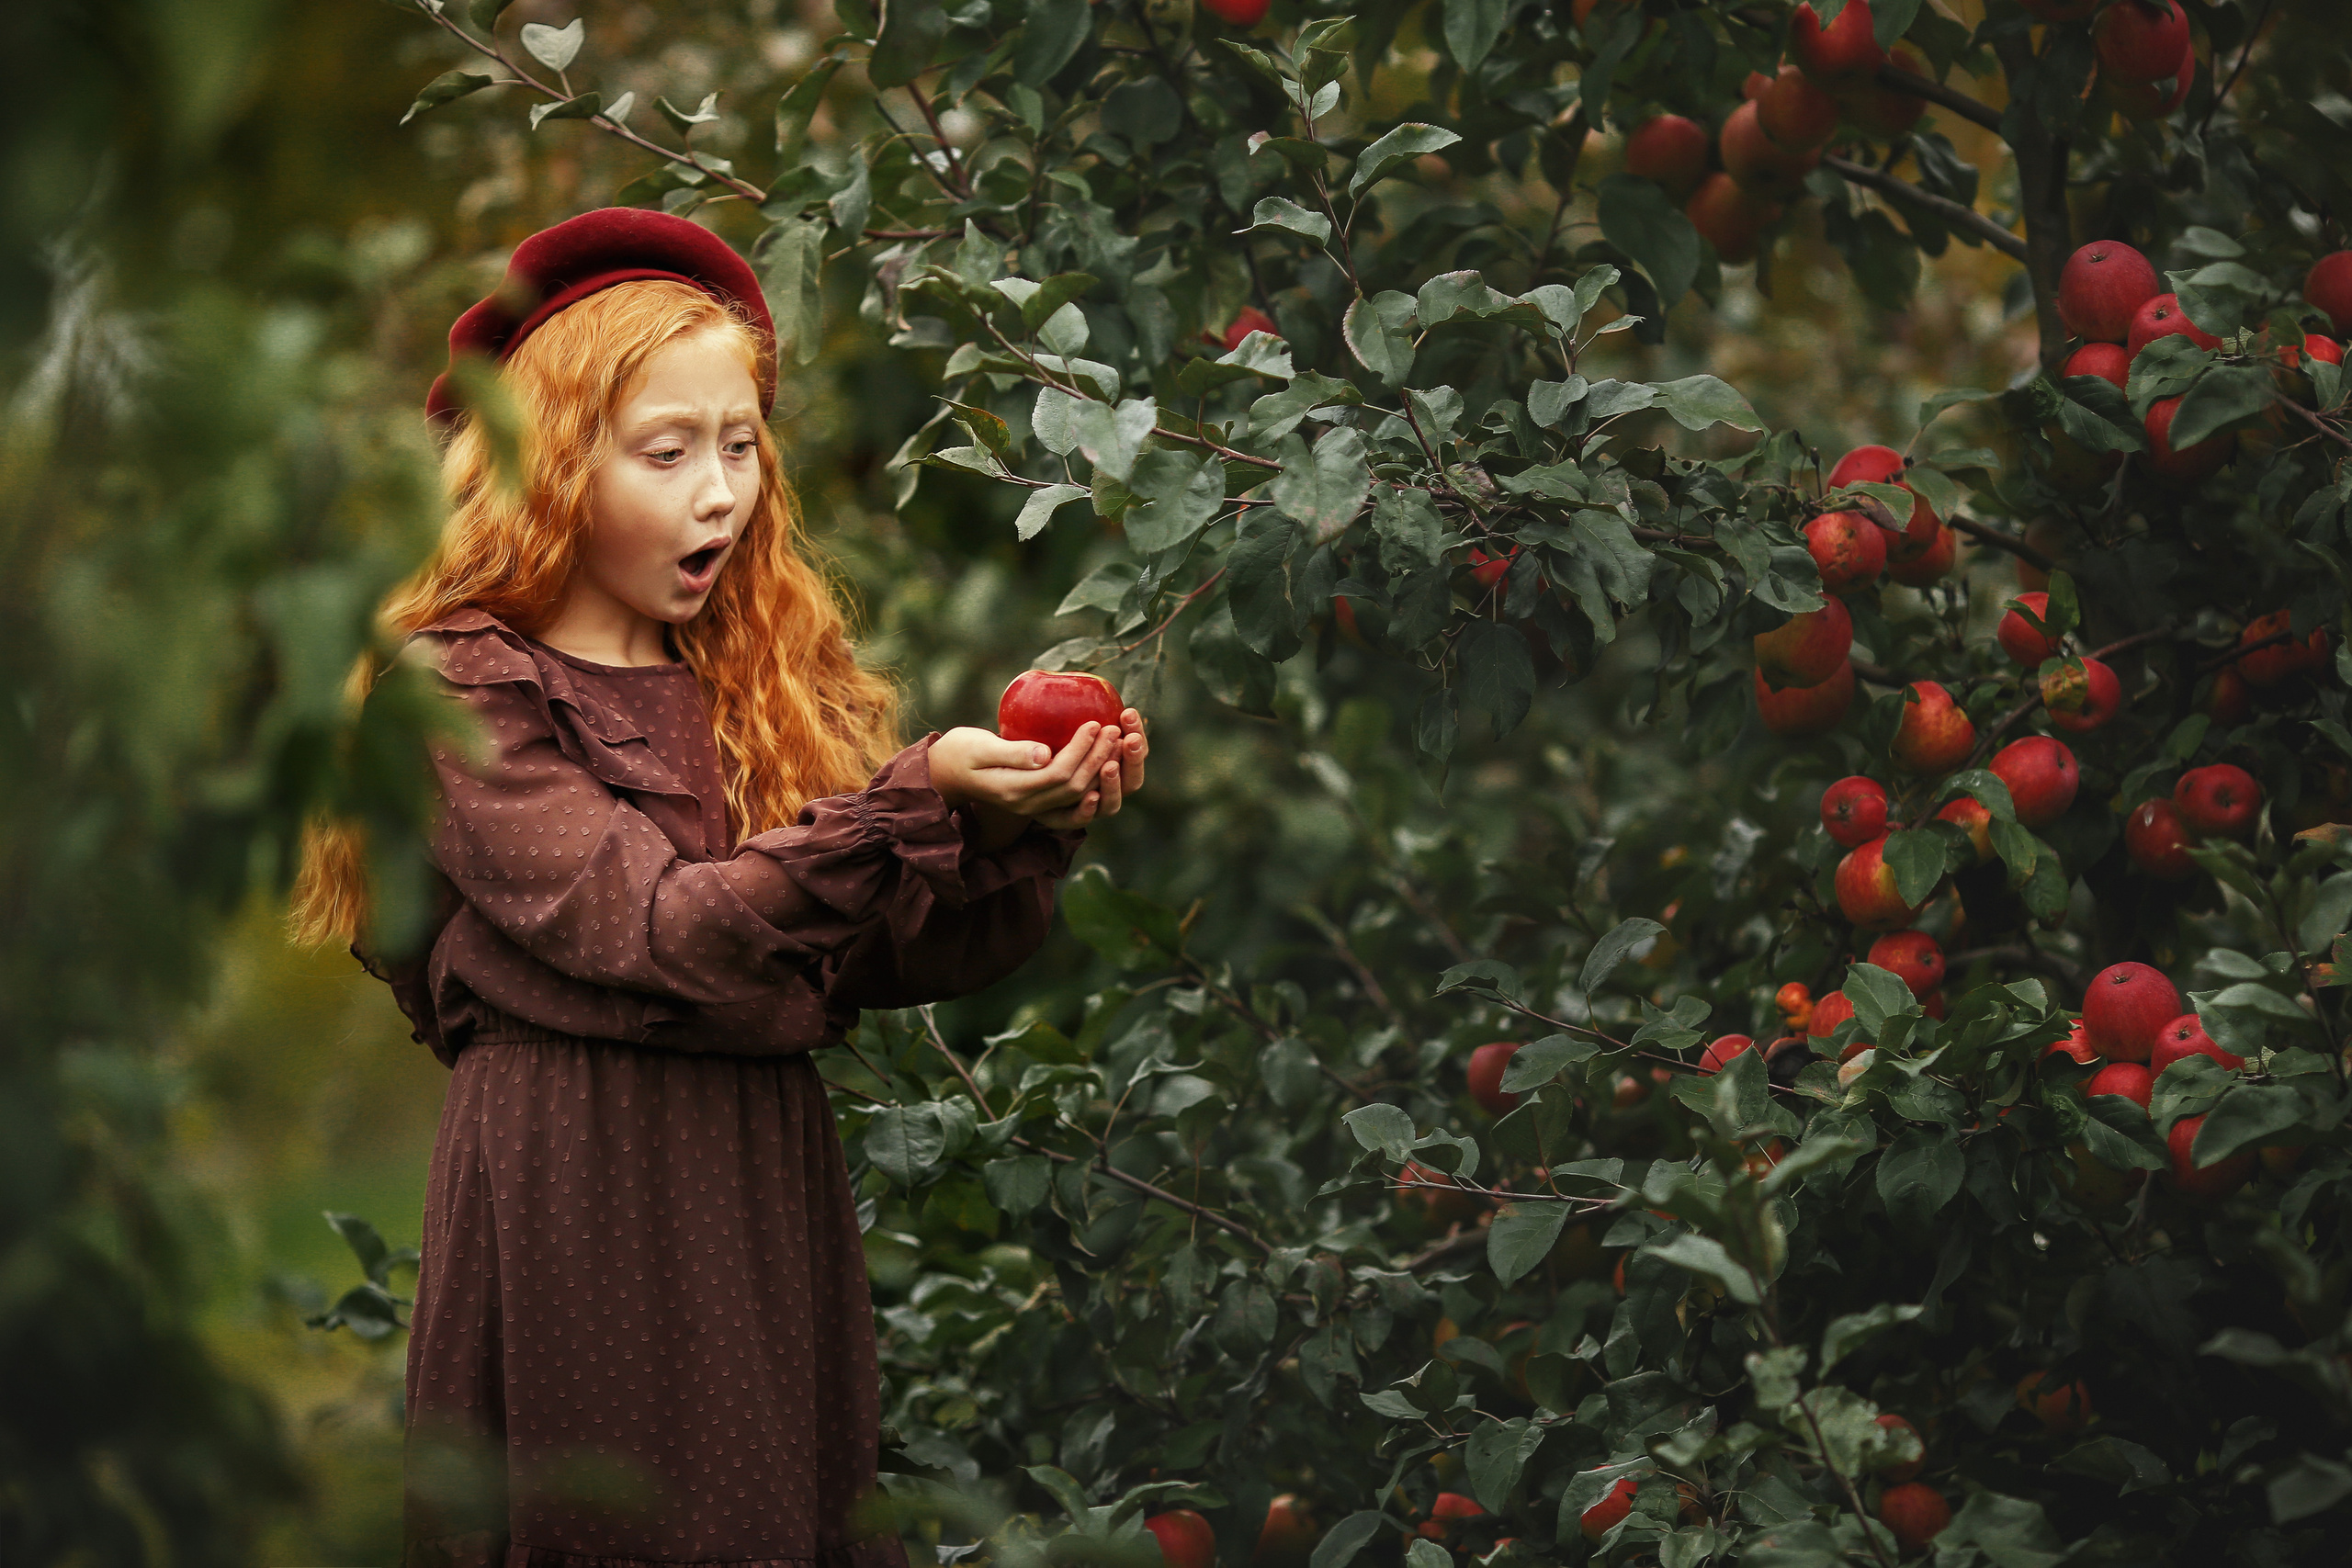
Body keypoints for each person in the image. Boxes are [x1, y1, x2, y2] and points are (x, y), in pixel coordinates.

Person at [287, 208, 1146, 1568]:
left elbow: (874, 953)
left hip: (752, 1165)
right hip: (577, 1176)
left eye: (741, 444)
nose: (721, 491)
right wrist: (915, 797)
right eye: (667, 450)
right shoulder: (459, 694)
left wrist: (1010, 824)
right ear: (552, 467)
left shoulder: (748, 694)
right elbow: (655, 928)